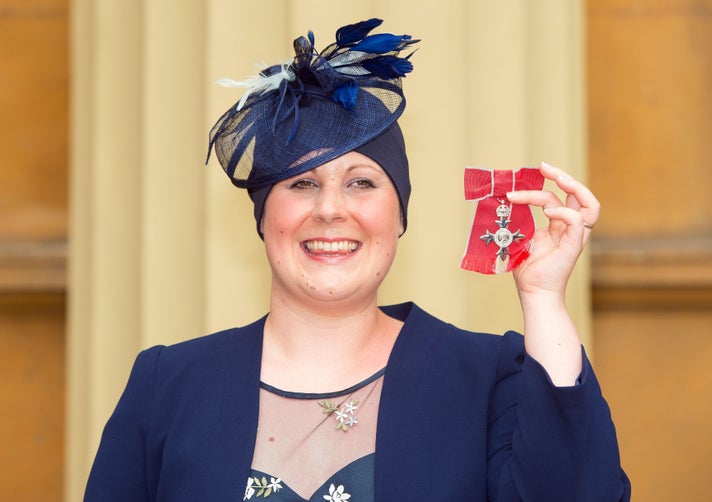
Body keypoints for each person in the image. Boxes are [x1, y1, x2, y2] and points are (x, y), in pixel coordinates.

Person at [85, 18, 631, 501]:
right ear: (263, 217)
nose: (329, 209)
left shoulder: (489, 377)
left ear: (398, 216)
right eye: (301, 183)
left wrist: (542, 300)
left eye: (362, 182)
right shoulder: (167, 384)